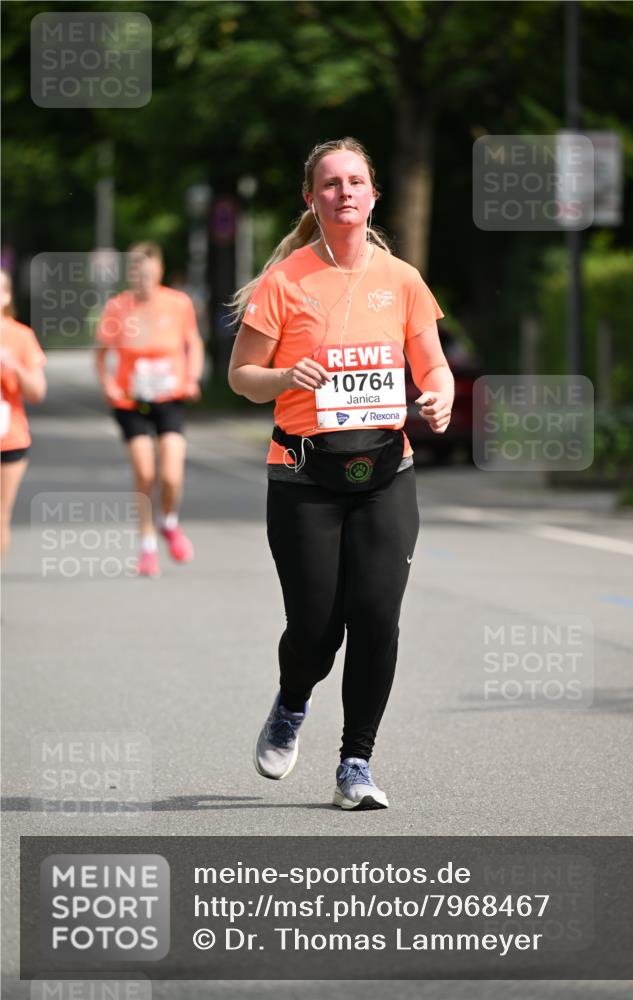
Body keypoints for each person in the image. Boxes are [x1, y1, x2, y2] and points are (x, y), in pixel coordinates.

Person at [228, 138, 454, 810]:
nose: (345, 192)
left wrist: (437, 391)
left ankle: (355, 763)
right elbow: (241, 377)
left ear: (374, 194)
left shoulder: (402, 279)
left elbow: (433, 363)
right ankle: (292, 701)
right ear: (311, 198)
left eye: (356, 181)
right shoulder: (285, 282)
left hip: (387, 470)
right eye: (330, 184)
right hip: (302, 476)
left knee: (376, 616)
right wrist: (281, 375)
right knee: (315, 630)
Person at [95, 242, 204, 577]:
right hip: (131, 400)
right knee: (145, 472)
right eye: (136, 273)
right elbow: (100, 354)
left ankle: (168, 522)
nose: (142, 279)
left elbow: (192, 342)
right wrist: (109, 385)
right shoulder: (118, 307)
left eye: (148, 272)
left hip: (169, 397)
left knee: (171, 474)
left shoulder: (178, 303)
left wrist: (192, 377)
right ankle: (147, 547)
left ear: (158, 271)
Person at [0, 269, 47, 558]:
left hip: (9, 439)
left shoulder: (20, 336)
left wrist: (14, 366)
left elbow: (37, 393)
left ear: (5, 297)